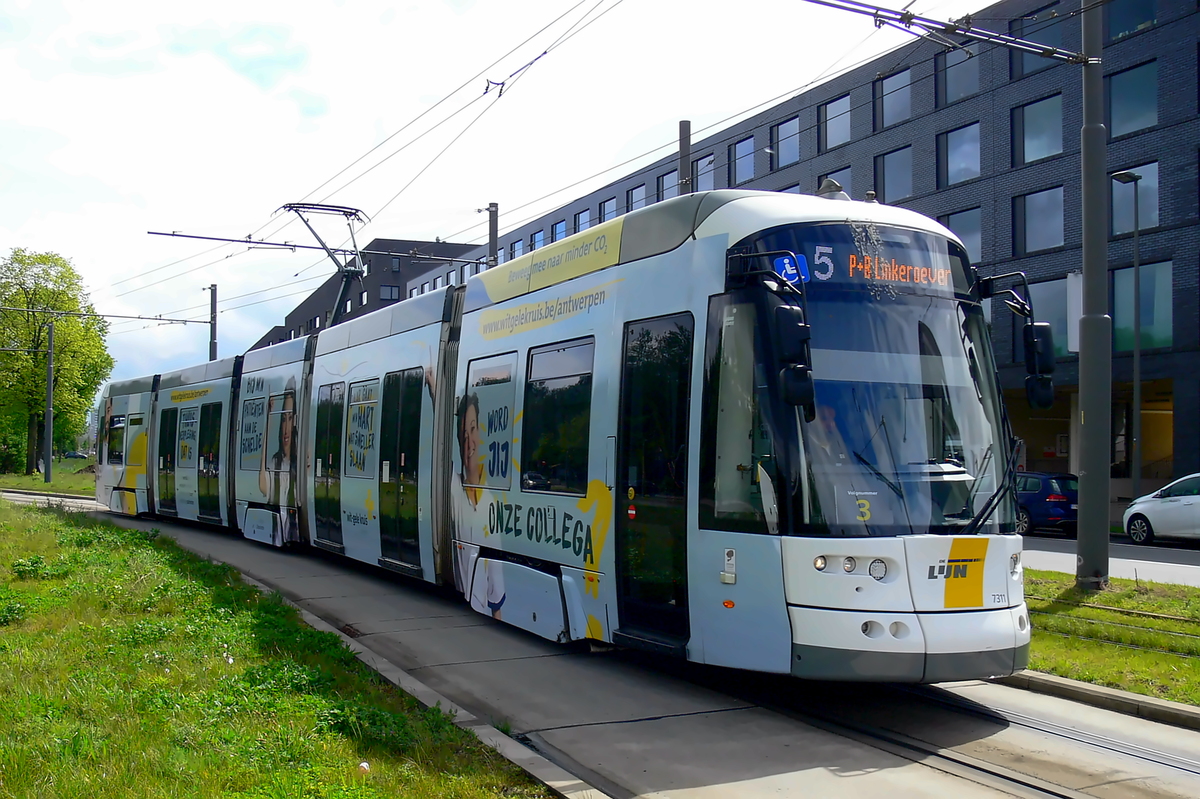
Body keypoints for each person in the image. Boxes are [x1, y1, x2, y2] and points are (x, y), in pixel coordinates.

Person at [450, 391, 505, 619]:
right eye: (463, 436)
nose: (470, 441)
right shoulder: (453, 487)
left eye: (473, 429)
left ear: (480, 432)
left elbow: (496, 583)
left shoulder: (492, 502)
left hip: (482, 613)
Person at [259, 384, 298, 546]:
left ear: (296, 422)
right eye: (283, 419)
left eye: (290, 418)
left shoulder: (300, 463)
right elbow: (263, 486)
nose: (286, 429)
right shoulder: (275, 461)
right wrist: (268, 420)